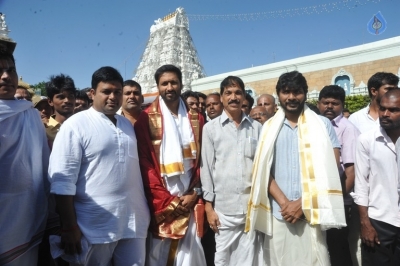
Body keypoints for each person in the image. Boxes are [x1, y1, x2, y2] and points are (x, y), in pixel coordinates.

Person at [48, 66, 150, 265]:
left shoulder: (127, 125)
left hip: (133, 221)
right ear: (92, 93)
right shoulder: (75, 124)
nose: (113, 97)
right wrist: (69, 226)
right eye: (106, 92)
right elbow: (62, 181)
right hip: (93, 225)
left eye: (117, 92)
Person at [246, 71, 346, 266]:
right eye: (286, 92)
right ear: (278, 95)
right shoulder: (268, 128)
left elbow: (331, 169)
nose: (291, 97)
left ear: (305, 94)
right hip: (279, 212)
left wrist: (302, 203)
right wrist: (286, 204)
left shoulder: (323, 124)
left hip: (312, 211)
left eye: (297, 92)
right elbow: (262, 171)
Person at [134, 64, 206, 266]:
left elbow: (202, 163)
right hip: (161, 199)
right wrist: (166, 201)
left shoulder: (197, 119)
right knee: (158, 254)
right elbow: (144, 164)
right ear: (158, 86)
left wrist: (195, 193)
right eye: (164, 83)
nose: (169, 87)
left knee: (190, 255)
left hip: (189, 197)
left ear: (181, 84)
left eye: (174, 82)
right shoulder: (145, 119)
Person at [201, 76, 263, 266]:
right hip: (223, 210)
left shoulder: (257, 128)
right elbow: (207, 167)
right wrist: (208, 207)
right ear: (221, 97)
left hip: (251, 208)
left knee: (249, 259)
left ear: (244, 96)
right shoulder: (210, 129)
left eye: (238, 93)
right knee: (222, 258)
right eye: (228, 93)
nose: (233, 97)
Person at [0, 50, 49, 265]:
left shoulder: (29, 113)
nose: (5, 76)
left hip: (27, 211)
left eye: (10, 70)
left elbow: (43, 161)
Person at [352, 89, 400, 265]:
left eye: (393, 110)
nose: (385, 114)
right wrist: (365, 223)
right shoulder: (366, 140)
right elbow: (361, 184)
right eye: (382, 109)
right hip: (379, 221)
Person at [317, 85, 361, 266]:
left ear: (342, 105)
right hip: (319, 200)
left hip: (337, 202)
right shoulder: (317, 125)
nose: (329, 107)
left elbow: (350, 171)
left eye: (334, 103)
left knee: (338, 249)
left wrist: (337, 200)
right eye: (325, 102)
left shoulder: (347, 129)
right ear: (318, 104)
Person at [45, 74, 77, 149]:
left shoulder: (82, 125)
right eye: (61, 97)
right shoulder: (44, 129)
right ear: (50, 101)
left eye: (71, 96)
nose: (67, 100)